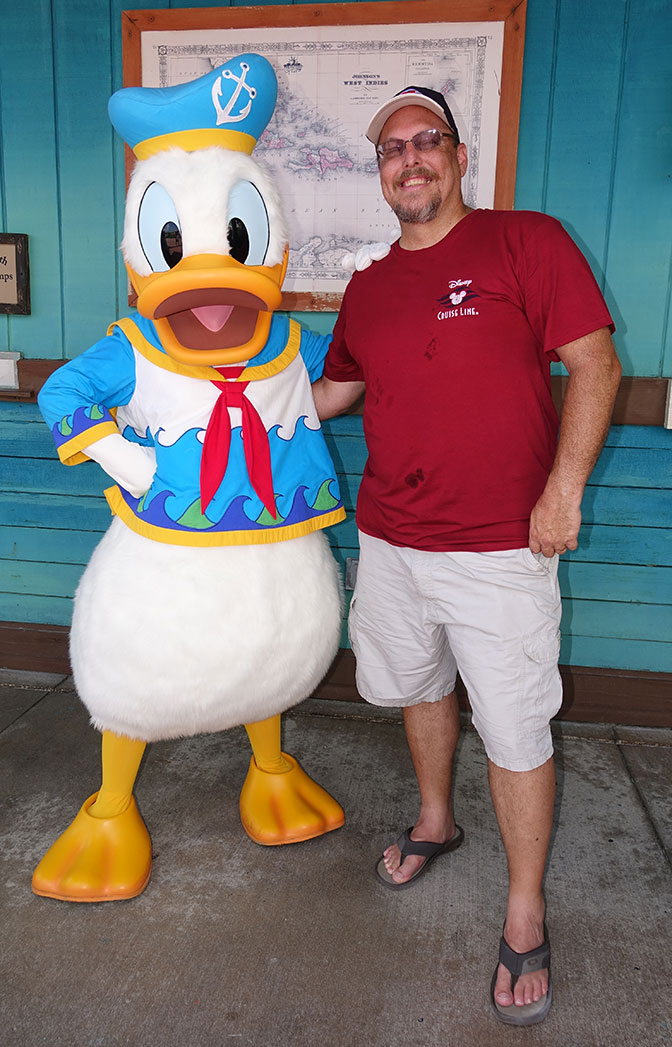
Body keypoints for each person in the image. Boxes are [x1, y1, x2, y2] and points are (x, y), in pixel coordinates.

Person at [312, 85, 622, 1026]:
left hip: (501, 547)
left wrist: (562, 491)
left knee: (519, 728)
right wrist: (216, 394)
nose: (409, 160)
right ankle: (437, 820)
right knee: (417, 684)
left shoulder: (527, 241)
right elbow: (333, 392)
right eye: (391, 149)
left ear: (456, 155)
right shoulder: (368, 286)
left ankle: (524, 906)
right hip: (392, 538)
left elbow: (597, 362)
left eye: (425, 141)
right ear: (380, 173)